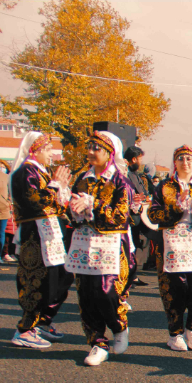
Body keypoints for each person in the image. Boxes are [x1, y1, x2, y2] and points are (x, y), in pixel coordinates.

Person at [65, 131, 133, 366]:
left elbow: (120, 217)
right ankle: (97, 342)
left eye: (97, 148)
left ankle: (119, 326)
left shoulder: (120, 182)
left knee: (106, 291)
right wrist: (73, 209)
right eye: (90, 147)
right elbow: (71, 214)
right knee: (86, 294)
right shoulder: (82, 179)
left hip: (110, 244)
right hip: (84, 243)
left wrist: (94, 204)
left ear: (109, 154)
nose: (91, 152)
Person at [149, 145, 192, 351]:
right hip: (170, 242)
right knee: (174, 288)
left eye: (189, 159)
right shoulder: (163, 186)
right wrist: (176, 205)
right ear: (175, 162)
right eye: (180, 158)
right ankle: (175, 333)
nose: (185, 162)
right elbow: (153, 215)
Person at [9, 132, 74, 349]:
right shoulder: (25, 172)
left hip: (49, 233)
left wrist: (61, 189)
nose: (51, 154)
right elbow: (35, 202)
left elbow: (56, 204)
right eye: (47, 150)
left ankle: (41, 322)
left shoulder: (41, 172)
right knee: (36, 280)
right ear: (35, 151)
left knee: (59, 278)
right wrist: (55, 186)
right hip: (34, 235)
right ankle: (24, 329)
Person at [123, 145, 151, 287]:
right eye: (140, 159)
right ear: (133, 159)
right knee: (128, 247)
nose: (141, 162)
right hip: (128, 217)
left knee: (133, 247)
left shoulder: (135, 175)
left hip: (137, 216)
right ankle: (128, 276)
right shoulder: (125, 174)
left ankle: (132, 275)